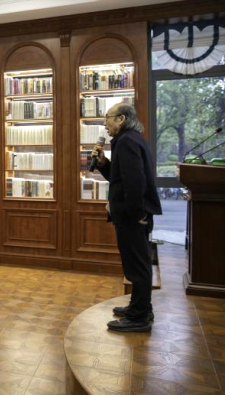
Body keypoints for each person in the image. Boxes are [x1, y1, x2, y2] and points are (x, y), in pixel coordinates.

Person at [92, 104, 161, 333]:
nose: (105, 123)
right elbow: (121, 178)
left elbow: (135, 182)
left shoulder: (126, 141)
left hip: (133, 216)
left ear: (121, 119)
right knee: (137, 264)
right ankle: (140, 307)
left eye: (108, 118)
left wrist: (137, 214)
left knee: (137, 267)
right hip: (135, 213)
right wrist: (103, 164)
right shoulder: (130, 139)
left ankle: (139, 317)